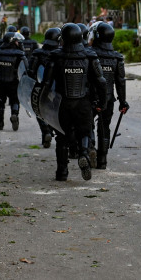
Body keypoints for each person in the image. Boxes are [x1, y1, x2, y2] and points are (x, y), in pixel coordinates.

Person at [41, 23, 106, 181]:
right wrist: (102, 103)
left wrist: (42, 104)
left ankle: (62, 172)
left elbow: (46, 83)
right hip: (83, 102)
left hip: (62, 103)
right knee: (84, 132)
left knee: (62, 137)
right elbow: (101, 81)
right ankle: (83, 153)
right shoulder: (90, 56)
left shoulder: (55, 56)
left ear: (63, 38)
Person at [89, 23, 129, 169]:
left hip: (90, 97)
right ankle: (102, 161)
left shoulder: (90, 54)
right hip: (108, 98)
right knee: (104, 127)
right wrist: (123, 102)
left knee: (88, 125)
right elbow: (121, 82)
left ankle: (91, 148)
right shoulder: (117, 58)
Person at [27, 27, 61, 147]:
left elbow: (30, 72)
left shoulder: (38, 53)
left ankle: (46, 131)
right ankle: (55, 133)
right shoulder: (61, 54)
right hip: (58, 90)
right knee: (55, 112)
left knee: (40, 111)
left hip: (40, 89)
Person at [0, 32, 27, 131]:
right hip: (14, 82)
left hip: (0, 83)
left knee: (0, 102)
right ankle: (14, 114)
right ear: (12, 42)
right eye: (16, 41)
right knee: (15, 100)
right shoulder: (19, 54)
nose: (18, 43)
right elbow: (25, 69)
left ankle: (0, 124)